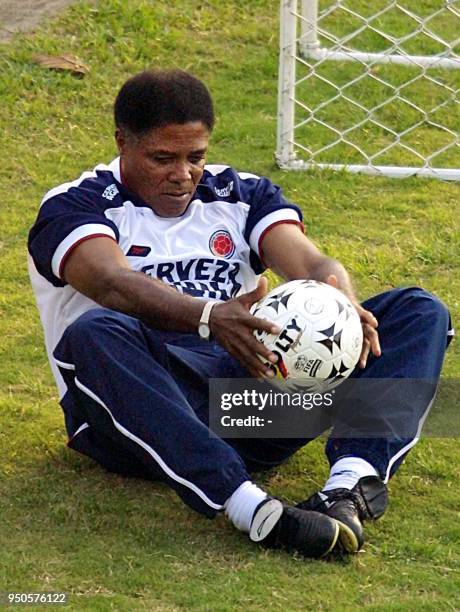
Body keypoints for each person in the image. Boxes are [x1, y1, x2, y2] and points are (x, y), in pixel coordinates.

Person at [28, 69, 453, 559]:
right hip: (139, 408)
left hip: (248, 398)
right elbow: (110, 283)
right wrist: (210, 317)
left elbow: (312, 264)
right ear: (122, 141)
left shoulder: (238, 193)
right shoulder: (75, 205)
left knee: (418, 311)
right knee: (95, 330)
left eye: (196, 157)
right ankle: (249, 507)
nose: (183, 174)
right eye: (163, 158)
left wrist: (344, 305)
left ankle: (349, 486)